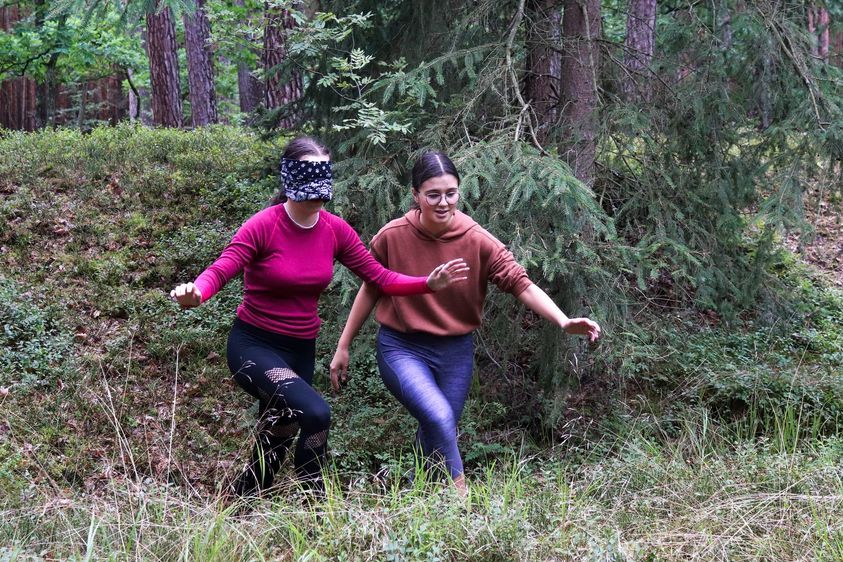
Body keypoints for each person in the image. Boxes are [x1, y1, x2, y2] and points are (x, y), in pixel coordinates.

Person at [170, 138, 469, 497]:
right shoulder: (263, 226)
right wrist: (197, 293)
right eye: (308, 174)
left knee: (278, 432)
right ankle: (316, 505)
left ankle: (241, 502)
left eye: (323, 173)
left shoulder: (333, 229)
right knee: (315, 413)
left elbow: (379, 277)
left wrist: (427, 283)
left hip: (301, 350)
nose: (317, 188)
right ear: (289, 177)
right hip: (254, 347)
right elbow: (222, 268)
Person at [330, 151, 601, 494]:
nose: (443, 203)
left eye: (451, 193)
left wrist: (562, 321)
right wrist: (343, 345)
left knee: (436, 429)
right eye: (433, 195)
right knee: (440, 417)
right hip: (401, 347)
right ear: (415, 195)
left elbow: (521, 284)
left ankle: (417, 497)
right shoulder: (392, 236)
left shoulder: (477, 239)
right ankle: (462, 498)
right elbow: (371, 287)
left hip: (455, 352)